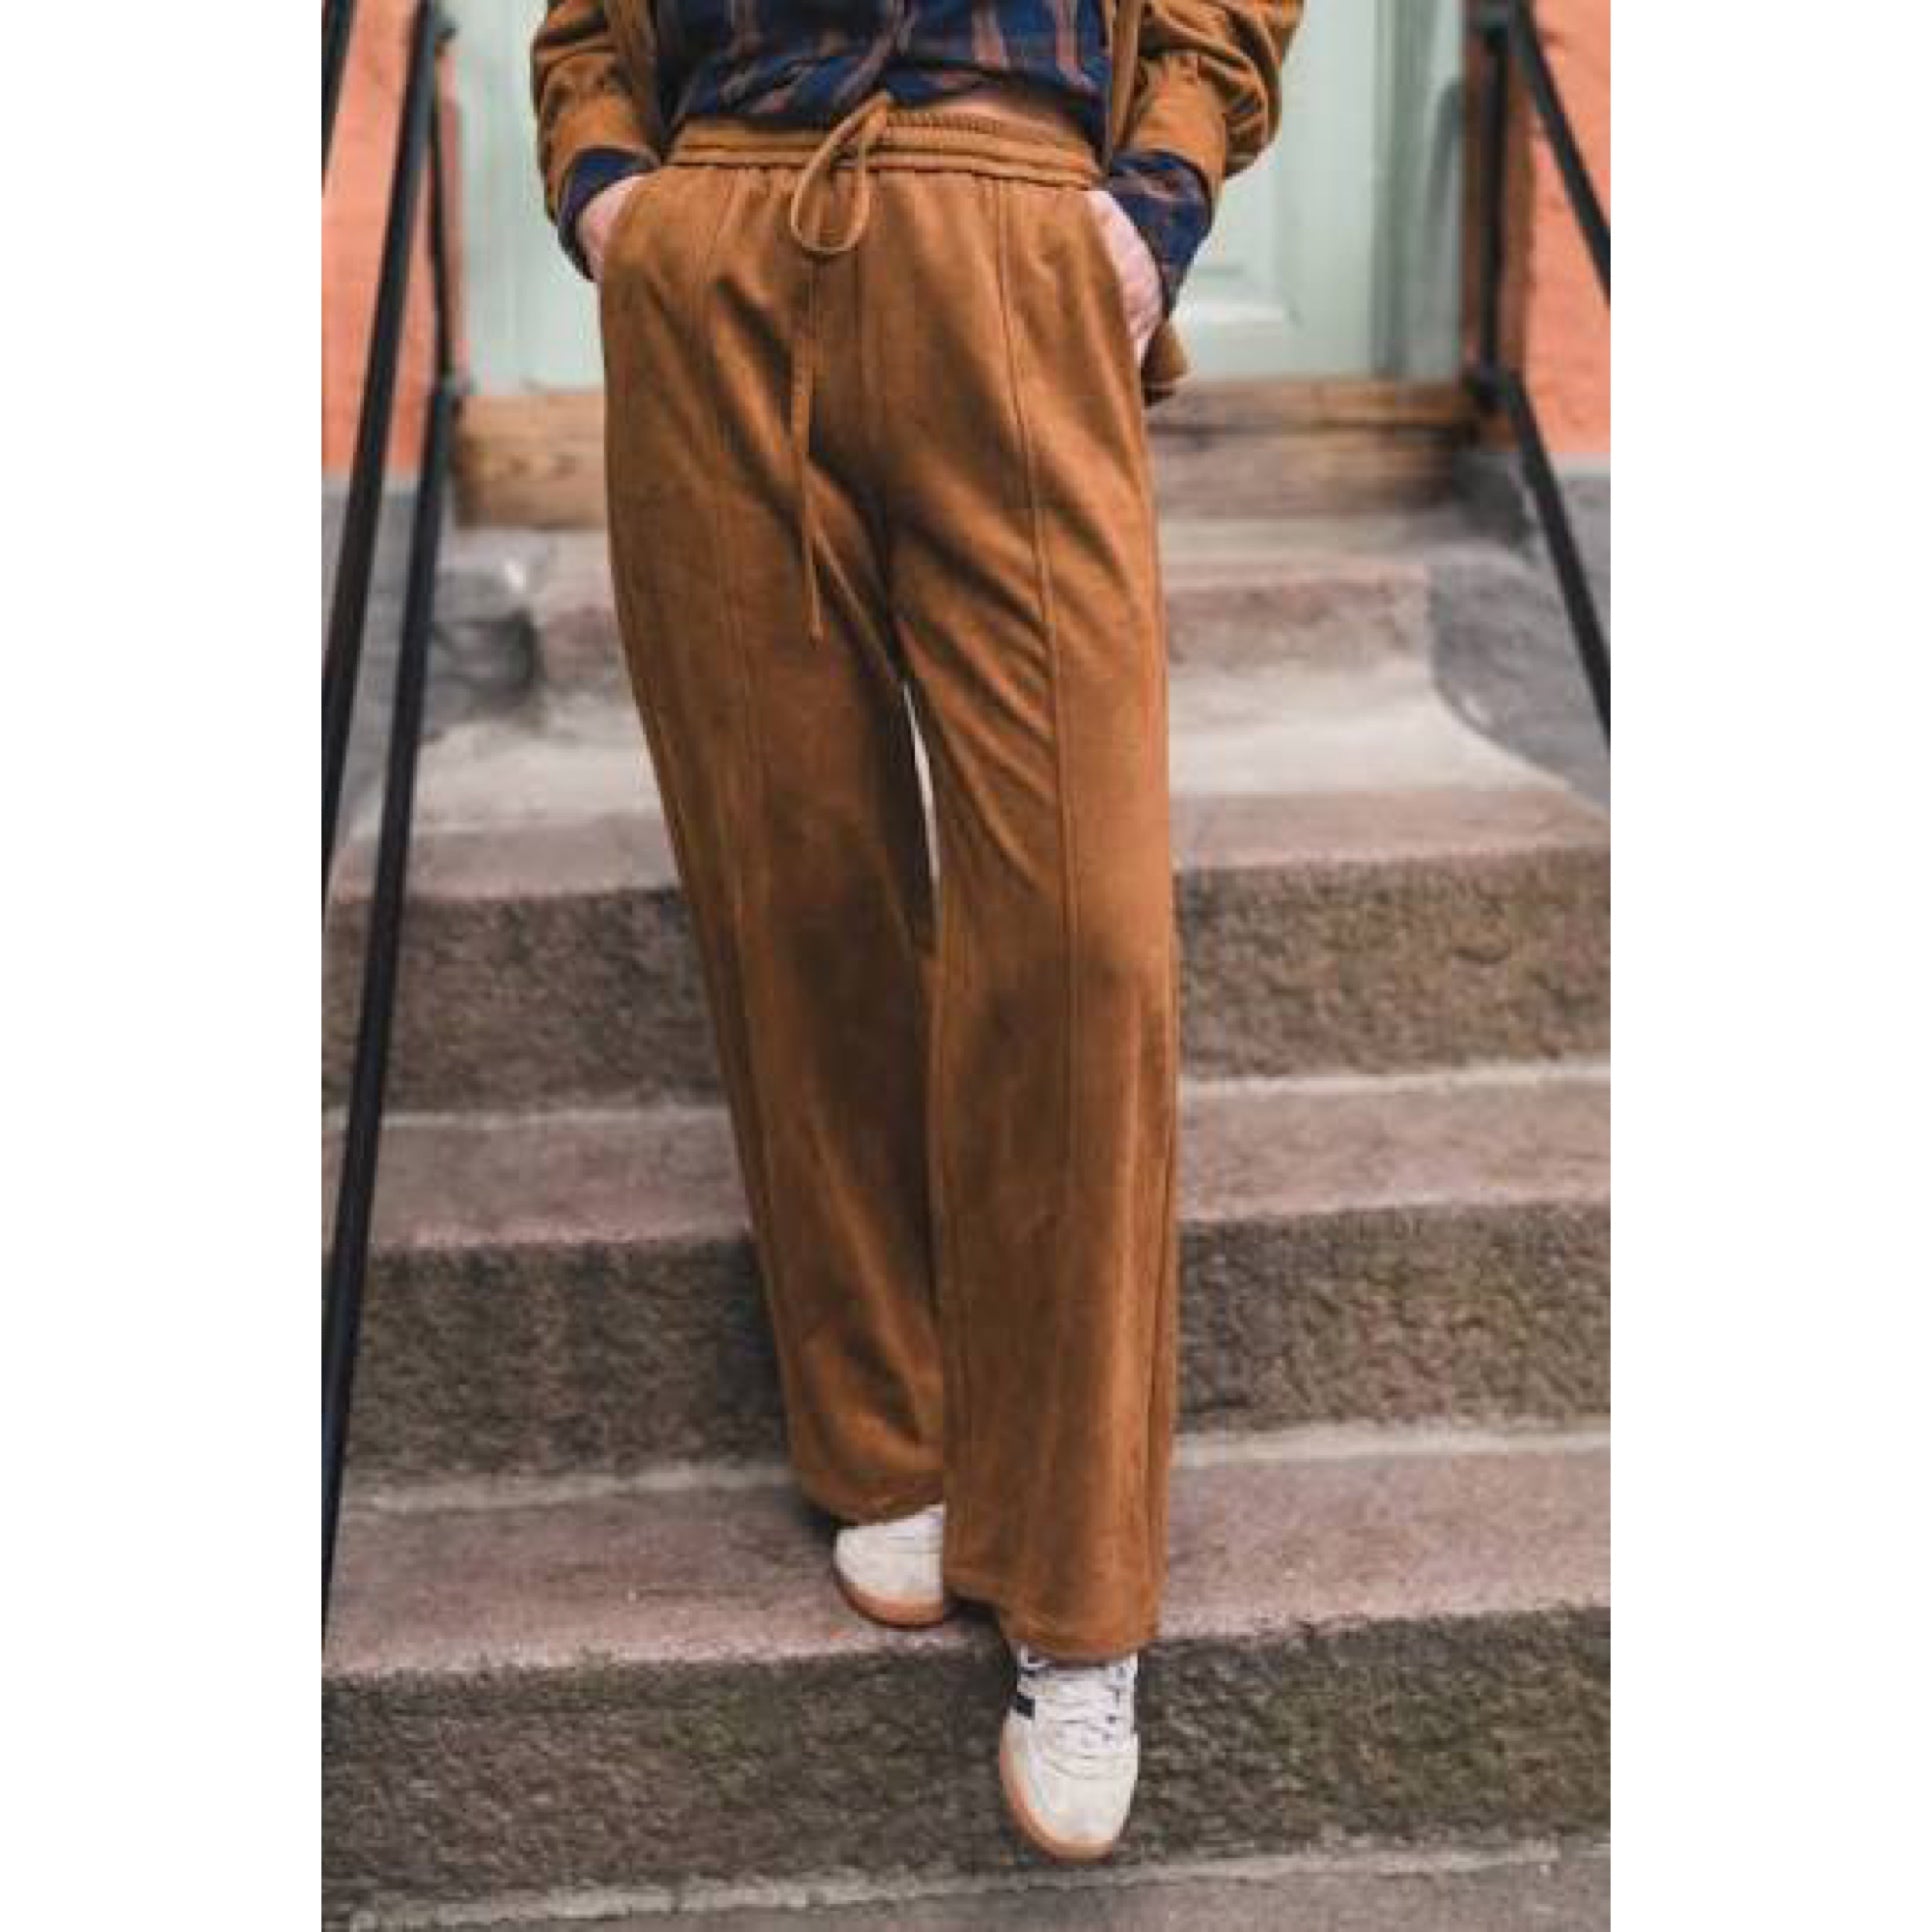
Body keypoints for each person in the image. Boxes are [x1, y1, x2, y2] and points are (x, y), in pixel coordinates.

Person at [532, 0, 1301, 1863]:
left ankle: (1079, 1590)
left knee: (1087, 939)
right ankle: (885, 1427)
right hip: (717, 236)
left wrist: (1160, 194)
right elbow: (579, 26)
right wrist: (611, 191)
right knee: (792, 881)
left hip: (1016, 223)